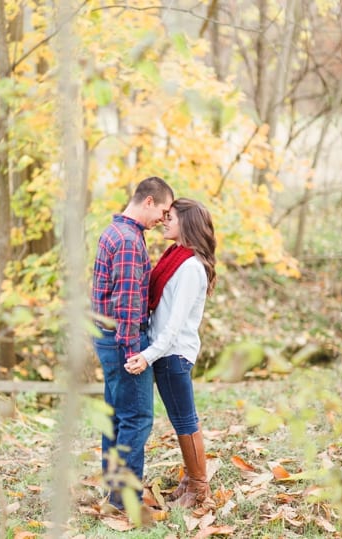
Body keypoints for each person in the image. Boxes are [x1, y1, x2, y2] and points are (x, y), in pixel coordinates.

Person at [125, 198, 217, 509]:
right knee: (182, 419)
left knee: (184, 420)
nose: (165, 221)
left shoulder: (190, 267)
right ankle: (191, 479)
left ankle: (199, 489)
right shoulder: (175, 258)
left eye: (171, 218)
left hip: (173, 354)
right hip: (166, 352)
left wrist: (148, 355)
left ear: (187, 224)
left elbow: (174, 326)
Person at [91, 176, 174, 510]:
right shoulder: (128, 240)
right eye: (164, 210)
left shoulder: (114, 231)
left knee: (117, 417)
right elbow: (125, 302)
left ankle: (114, 494)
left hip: (106, 337)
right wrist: (132, 352)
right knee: (137, 418)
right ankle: (125, 501)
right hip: (124, 340)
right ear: (149, 201)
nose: (164, 220)